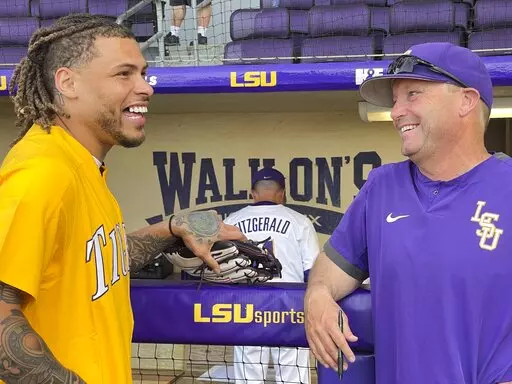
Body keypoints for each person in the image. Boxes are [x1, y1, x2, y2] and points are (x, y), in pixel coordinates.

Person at [0, 14, 244, 383]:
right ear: (68, 82)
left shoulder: (81, 166)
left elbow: (89, 265)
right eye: (124, 74)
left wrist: (173, 228)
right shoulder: (43, 173)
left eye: (142, 74)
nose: (145, 87)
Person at [304, 42, 512, 384]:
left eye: (413, 94)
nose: (397, 111)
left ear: (466, 101)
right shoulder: (382, 186)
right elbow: (334, 266)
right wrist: (317, 295)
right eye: (395, 100)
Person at [224, 167, 320, 384]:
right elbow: (312, 273)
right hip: (289, 306)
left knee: (249, 377)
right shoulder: (300, 221)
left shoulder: (232, 221)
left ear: (253, 193)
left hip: (246, 306)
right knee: (292, 376)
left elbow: (222, 271)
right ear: (282, 193)